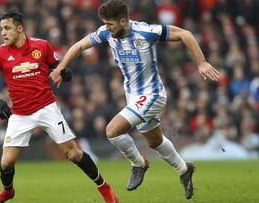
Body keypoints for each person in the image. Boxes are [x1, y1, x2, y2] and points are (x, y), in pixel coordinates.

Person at [50, 0, 220, 200]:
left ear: (123, 21)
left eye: (110, 24)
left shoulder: (146, 31)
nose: (107, 28)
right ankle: (184, 169)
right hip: (134, 96)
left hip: (153, 94)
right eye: (105, 24)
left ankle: (138, 164)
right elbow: (79, 46)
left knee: (112, 132)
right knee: (155, 141)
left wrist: (201, 63)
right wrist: (61, 67)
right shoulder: (106, 32)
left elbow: (185, 34)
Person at [0, 9, 119, 203]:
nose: (3, 33)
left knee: (73, 153)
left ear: (20, 28)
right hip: (20, 113)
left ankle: (105, 188)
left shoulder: (41, 46)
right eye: (1, 28)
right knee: (7, 161)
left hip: (46, 107)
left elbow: (58, 67)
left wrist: (65, 74)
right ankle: (8, 192)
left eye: (7, 28)